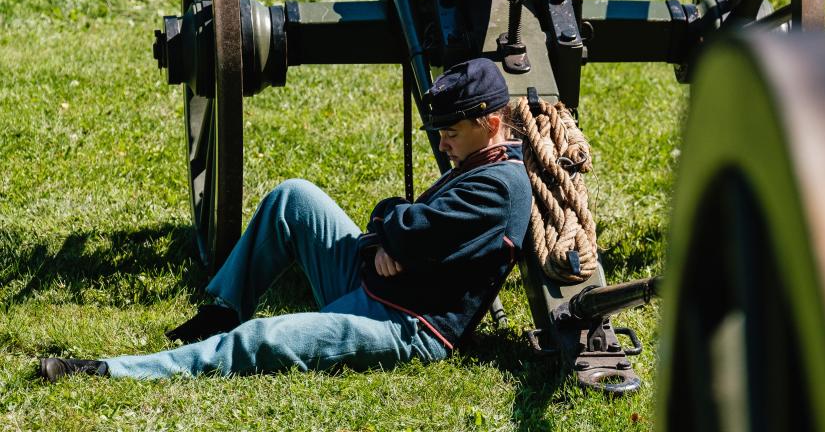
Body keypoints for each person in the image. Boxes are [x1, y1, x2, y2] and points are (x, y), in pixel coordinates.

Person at [39, 58, 532, 381]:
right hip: (377, 283)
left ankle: (110, 370)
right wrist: (391, 233)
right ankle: (224, 308)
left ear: (489, 124)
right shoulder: (482, 161)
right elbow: (403, 225)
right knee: (292, 198)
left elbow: (407, 227)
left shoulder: (498, 187)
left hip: (409, 325)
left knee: (262, 340)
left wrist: (392, 228)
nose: (442, 144)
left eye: (449, 132)